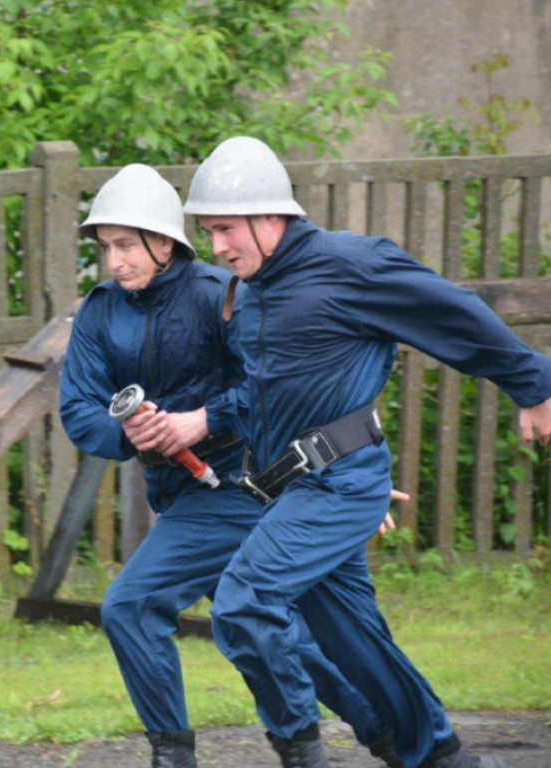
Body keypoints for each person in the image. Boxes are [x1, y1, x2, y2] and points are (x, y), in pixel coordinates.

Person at [182, 135, 551, 768]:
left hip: (336, 484)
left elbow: (456, 313)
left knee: (243, 604)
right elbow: (266, 397)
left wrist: (536, 386)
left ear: (272, 216)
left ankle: (299, 744)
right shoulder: (249, 293)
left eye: (224, 229)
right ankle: (438, 755)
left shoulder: (353, 264)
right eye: (208, 232)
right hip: (297, 493)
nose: (216, 247)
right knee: (358, 645)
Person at [59, 163, 405, 768]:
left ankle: (185, 755)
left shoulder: (224, 297)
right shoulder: (97, 314)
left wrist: (204, 421)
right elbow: (77, 411)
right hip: (180, 495)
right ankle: (387, 736)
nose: (113, 261)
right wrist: (127, 431)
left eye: (124, 245)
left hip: (243, 487)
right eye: (105, 247)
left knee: (132, 606)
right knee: (277, 632)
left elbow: (274, 391)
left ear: (164, 243)